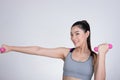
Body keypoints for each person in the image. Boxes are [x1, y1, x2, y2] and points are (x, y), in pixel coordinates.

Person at [1, 20, 109, 80]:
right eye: (71, 34)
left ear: (87, 34)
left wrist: (102, 54)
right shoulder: (66, 53)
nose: (73, 38)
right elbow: (38, 50)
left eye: (77, 34)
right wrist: (11, 48)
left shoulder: (94, 58)